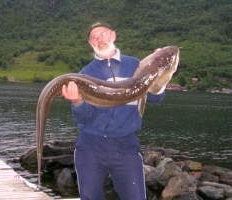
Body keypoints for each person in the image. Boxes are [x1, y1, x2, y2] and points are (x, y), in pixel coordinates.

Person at [62, 21, 165, 200]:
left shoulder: (136, 65)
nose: (99, 39)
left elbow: (156, 97)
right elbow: (85, 118)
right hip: (91, 147)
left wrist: (158, 69)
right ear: (90, 44)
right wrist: (77, 101)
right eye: (94, 37)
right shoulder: (85, 74)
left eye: (102, 34)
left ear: (113, 35)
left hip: (126, 147)